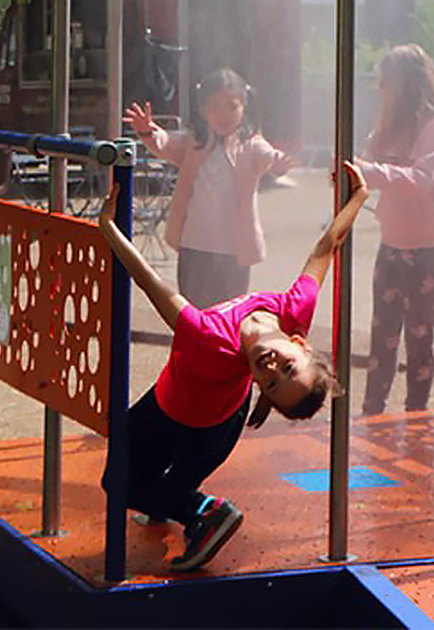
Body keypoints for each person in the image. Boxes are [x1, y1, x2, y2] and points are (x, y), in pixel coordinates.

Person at [97, 161, 368, 572]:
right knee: (169, 483)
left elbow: (149, 279)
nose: (272, 369)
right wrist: (359, 198)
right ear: (299, 342)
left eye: (272, 383)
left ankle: (205, 512)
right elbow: (326, 247)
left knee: (118, 483)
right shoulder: (294, 309)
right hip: (222, 421)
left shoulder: (209, 338)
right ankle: (183, 509)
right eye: (286, 372)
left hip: (178, 415)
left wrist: (109, 228)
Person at [357, 45, 434, 416]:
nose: (380, 90)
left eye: (386, 82)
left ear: (407, 83)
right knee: (382, 333)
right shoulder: (390, 127)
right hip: (394, 240)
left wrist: (367, 171)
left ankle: (416, 413)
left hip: (432, 244)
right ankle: (373, 410)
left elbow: (421, 180)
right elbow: (369, 172)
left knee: (419, 333)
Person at [123, 68, 295, 308]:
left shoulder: (250, 144)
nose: (223, 115)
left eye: (231, 107)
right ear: (203, 110)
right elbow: (165, 143)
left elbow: (267, 156)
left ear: (244, 107)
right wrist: (147, 131)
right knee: (192, 310)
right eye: (215, 107)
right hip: (194, 244)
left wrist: (278, 162)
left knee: (229, 313)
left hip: (233, 249)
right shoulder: (194, 142)